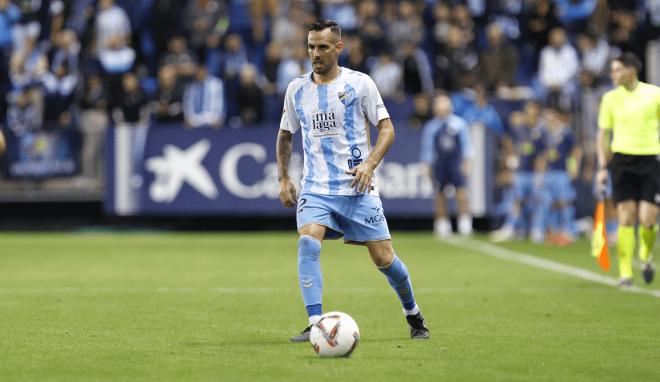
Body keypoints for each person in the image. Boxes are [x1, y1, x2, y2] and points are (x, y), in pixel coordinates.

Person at [276, 19, 429, 342]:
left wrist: (370, 164)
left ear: (339, 48)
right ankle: (316, 323)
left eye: (322, 47)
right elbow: (285, 134)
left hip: (357, 188)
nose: (315, 54)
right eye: (311, 47)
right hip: (316, 188)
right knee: (307, 241)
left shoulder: (360, 84)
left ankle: (413, 313)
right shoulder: (297, 89)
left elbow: (387, 129)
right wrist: (283, 178)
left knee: (384, 258)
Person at [596, 53, 660, 287]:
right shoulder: (610, 99)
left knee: (648, 218)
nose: (613, 74)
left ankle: (645, 254)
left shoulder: (654, 94)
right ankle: (625, 273)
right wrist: (603, 167)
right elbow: (603, 135)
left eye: (617, 70)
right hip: (622, 160)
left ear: (631, 70)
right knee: (625, 216)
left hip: (650, 159)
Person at [421, 93, 473, 238]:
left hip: (455, 162)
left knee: (461, 193)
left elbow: (466, 145)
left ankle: (465, 224)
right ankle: (442, 224)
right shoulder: (431, 127)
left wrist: (467, 161)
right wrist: (427, 166)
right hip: (440, 164)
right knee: (439, 195)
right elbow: (428, 148)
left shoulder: (459, 124)